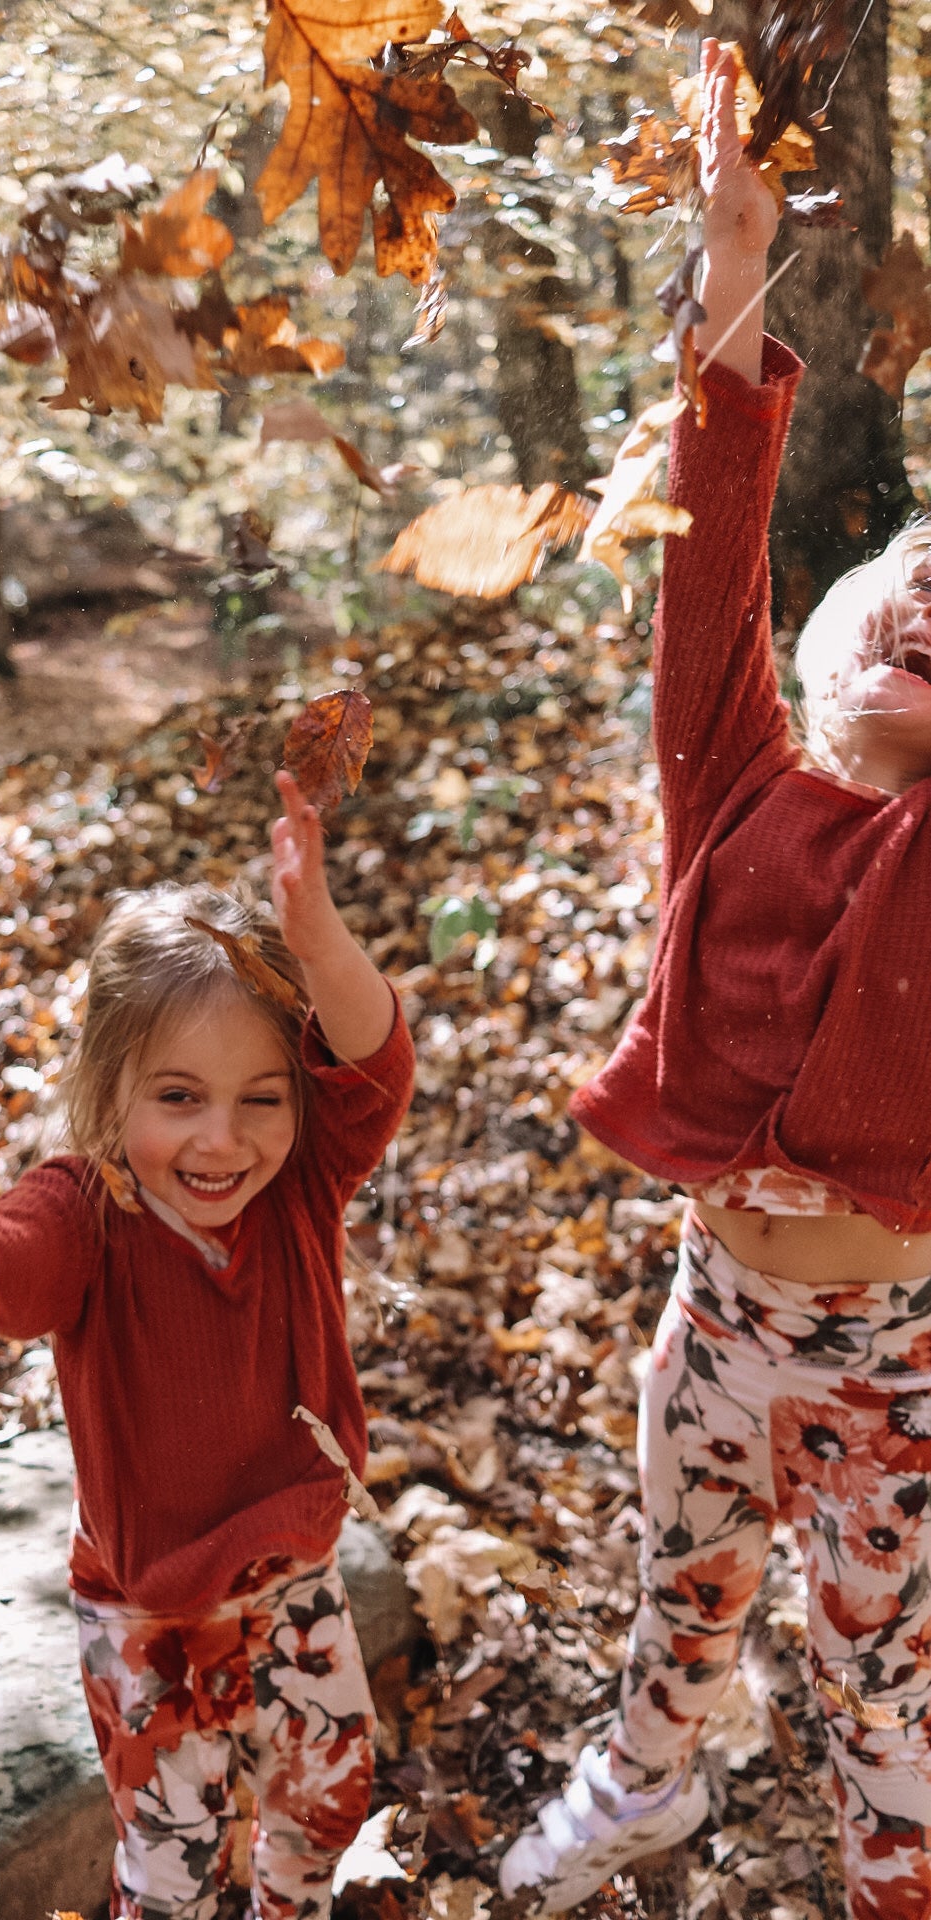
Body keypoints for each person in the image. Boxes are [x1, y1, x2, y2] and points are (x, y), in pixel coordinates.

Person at [499, 40, 931, 1920]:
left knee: (880, 1684)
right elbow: (711, 543)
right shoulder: (736, 780)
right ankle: (647, 1784)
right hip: (716, 1316)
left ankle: (887, 1870)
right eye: (905, 588)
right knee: (681, 1601)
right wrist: (732, 255)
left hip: (891, 1367)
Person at [0, 769, 415, 1920]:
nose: (222, 1138)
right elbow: (3, 1264)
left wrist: (320, 943)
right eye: (177, 1097)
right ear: (109, 1099)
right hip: (148, 1617)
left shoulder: (304, 1179)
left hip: (296, 1574)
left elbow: (372, 1062)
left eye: (261, 1097)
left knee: (326, 1802)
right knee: (171, 1873)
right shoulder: (87, 1211)